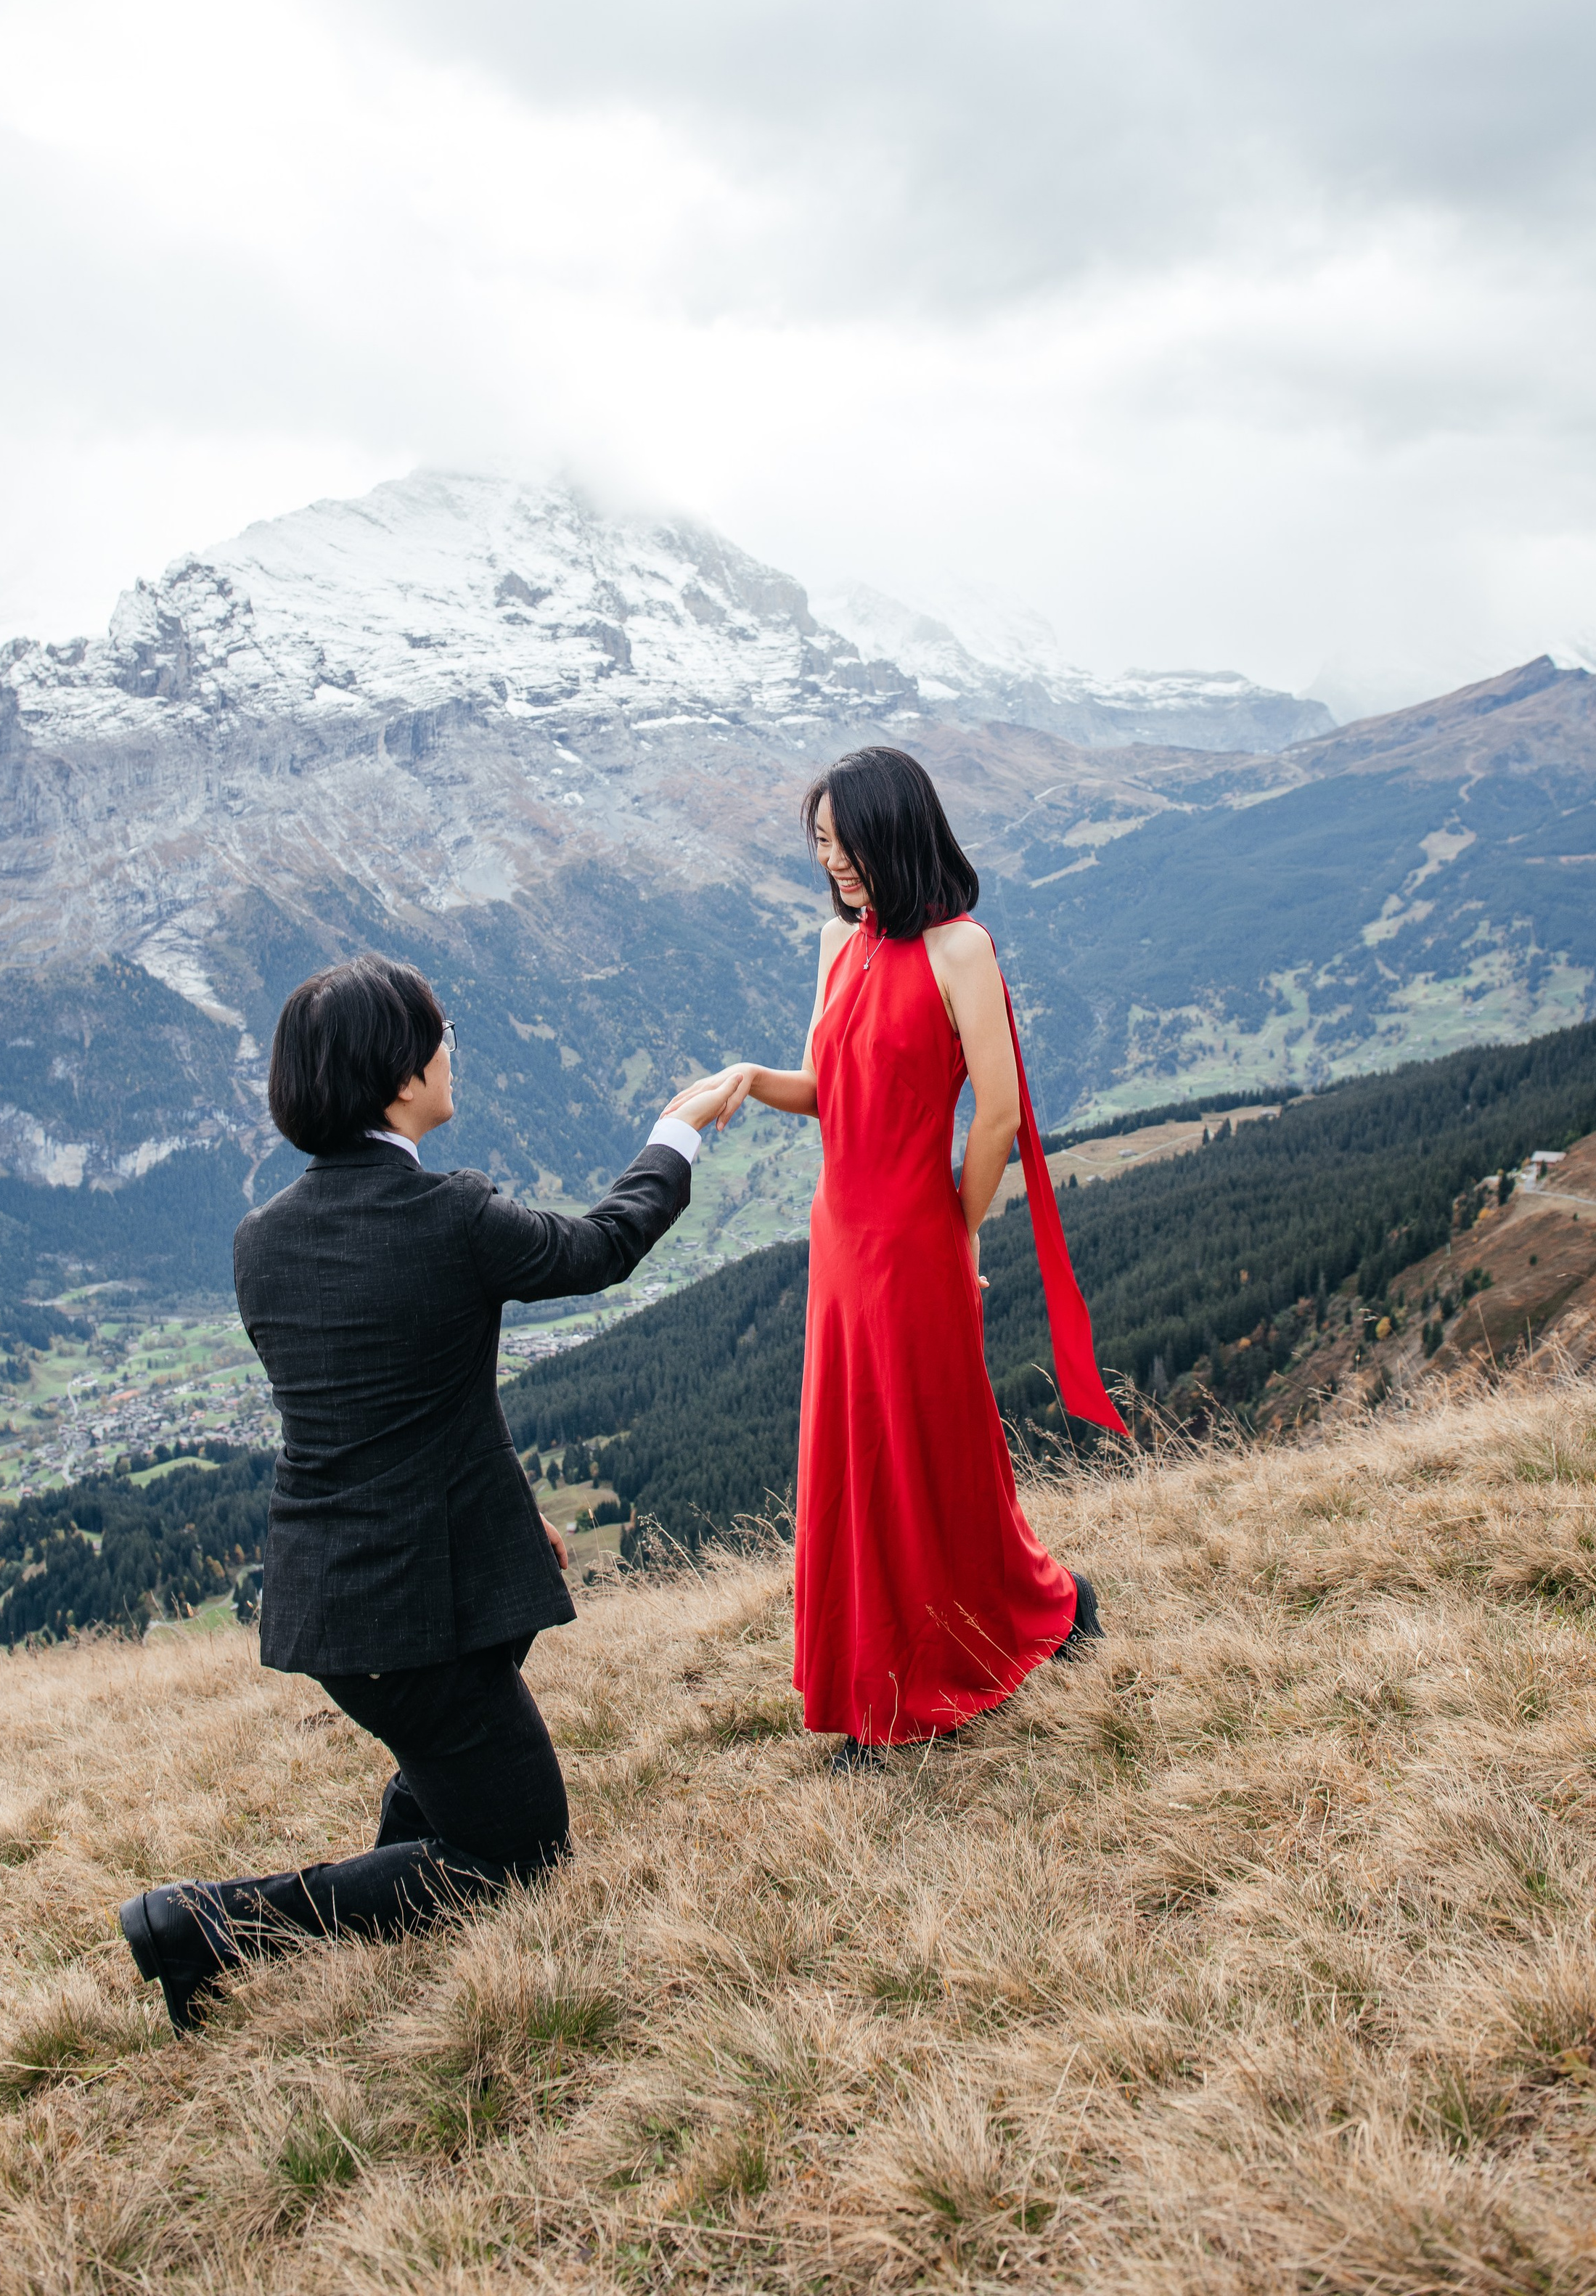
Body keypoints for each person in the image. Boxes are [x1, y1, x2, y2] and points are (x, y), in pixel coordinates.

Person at [118, 952, 730, 2030]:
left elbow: (391, 1403)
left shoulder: (261, 1241)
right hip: (413, 1612)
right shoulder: (446, 1213)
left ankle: (366, 1888)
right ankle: (211, 1922)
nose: (454, 1053)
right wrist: (674, 1133)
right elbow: (601, 1248)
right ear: (401, 1078)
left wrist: (505, 1508)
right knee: (515, 1855)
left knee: (451, 1759)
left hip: (339, 1597)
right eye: (444, 1036)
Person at [703, 746, 1126, 1769]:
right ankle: (915, 1656)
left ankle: (919, 1682)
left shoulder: (960, 949)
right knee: (858, 1460)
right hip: (839, 1237)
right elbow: (830, 1088)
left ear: (899, 835)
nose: (836, 865)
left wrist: (959, 1227)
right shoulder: (834, 943)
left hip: (913, 1237)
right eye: (821, 847)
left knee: (917, 1454)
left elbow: (998, 1115)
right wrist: (757, 1077)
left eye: (850, 846)